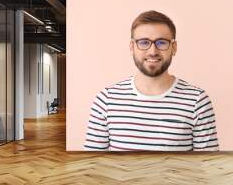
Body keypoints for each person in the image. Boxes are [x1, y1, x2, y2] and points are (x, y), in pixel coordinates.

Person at [84, 10, 219, 151]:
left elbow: (207, 168)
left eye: (161, 42)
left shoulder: (198, 101)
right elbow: (94, 166)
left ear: (174, 48)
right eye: (144, 42)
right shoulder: (106, 100)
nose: (153, 51)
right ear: (132, 47)